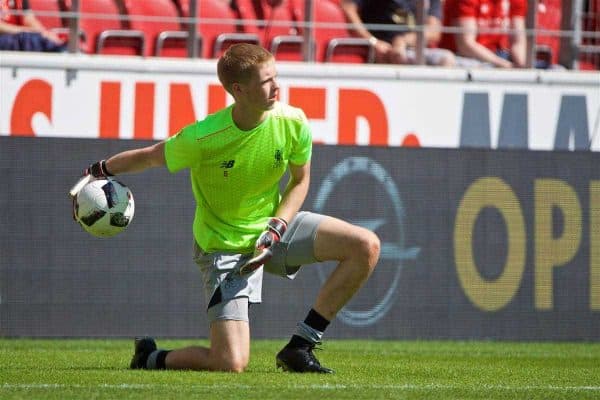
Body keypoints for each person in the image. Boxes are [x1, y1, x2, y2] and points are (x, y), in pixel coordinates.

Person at [74, 43, 380, 373]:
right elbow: (151, 156)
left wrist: (276, 228)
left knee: (365, 246)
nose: (277, 87)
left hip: (274, 229)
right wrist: (100, 169)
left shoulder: (293, 122)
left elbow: (300, 181)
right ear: (239, 89)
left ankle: (300, 346)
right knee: (230, 362)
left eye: (276, 76)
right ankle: (150, 357)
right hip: (223, 247)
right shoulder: (204, 137)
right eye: (267, 81)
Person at [340, 0, 456, 66]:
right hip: (380, 53)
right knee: (445, 59)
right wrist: (372, 42)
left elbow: (434, 31)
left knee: (466, 64)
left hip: (414, 51)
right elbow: (348, 8)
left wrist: (403, 41)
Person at [439, 0, 527, 68]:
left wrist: (522, 66)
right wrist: (505, 65)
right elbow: (465, 45)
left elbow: (518, 41)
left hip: (500, 55)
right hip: (466, 57)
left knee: (536, 65)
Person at [0, 0, 66, 52]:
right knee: (27, 39)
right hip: (8, 38)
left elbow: (29, 19)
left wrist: (44, 33)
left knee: (40, 38)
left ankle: (61, 51)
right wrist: (25, 31)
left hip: (21, 36)